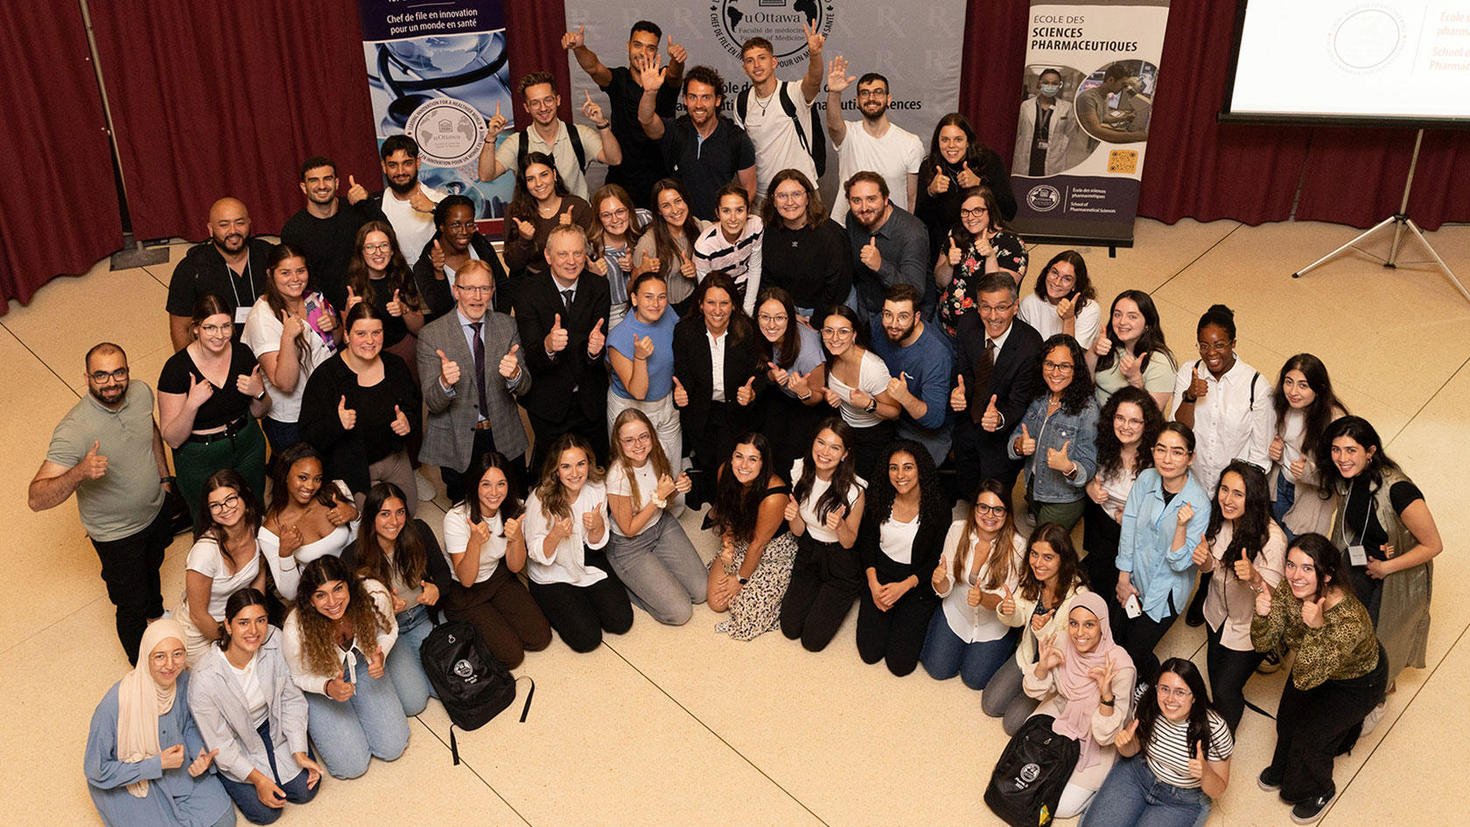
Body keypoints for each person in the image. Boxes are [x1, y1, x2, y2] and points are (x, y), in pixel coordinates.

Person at [30, 343, 173, 665]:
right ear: (87, 378)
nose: (111, 383)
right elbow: (36, 498)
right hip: (116, 535)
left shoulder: (141, 392)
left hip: (155, 509)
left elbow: (150, 429)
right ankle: (143, 667)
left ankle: (156, 614)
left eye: (118, 373)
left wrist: (164, 477)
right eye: (101, 375)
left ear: (128, 371)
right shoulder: (74, 430)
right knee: (131, 604)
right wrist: (79, 472)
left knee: (154, 565)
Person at [1252, 534, 1388, 823]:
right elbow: (1263, 643)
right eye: (1291, 565)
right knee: (1286, 719)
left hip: (1356, 682)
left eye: (1307, 568)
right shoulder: (1291, 588)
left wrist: (1316, 628)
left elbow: (1305, 678)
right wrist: (1262, 614)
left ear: (1327, 575)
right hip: (1313, 664)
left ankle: (1320, 789)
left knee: (1312, 740)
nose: (1295, 576)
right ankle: (1282, 768)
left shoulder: (1349, 619)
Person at [1319, 415, 1442, 712]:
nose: (1342, 458)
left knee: (1379, 638)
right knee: (1344, 624)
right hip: (1361, 562)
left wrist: (1386, 567)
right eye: (1336, 449)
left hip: (1394, 572)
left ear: (1370, 452)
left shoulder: (1399, 490)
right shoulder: (1346, 476)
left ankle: (1379, 697)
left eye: (1351, 450)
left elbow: (1433, 545)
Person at [1174, 304, 1273, 628]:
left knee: (1225, 546)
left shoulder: (1256, 384)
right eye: (1204, 345)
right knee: (1194, 540)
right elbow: (1179, 430)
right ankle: (1189, 586)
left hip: (1231, 489)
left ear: (1233, 343)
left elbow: (1260, 452)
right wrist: (1190, 396)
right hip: (1195, 481)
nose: (1211, 353)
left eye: (1219, 345)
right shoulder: (1189, 371)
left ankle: (1210, 591)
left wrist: (1235, 494)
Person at [84, 618, 235, 827]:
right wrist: (157, 764)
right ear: (145, 657)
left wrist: (199, 752)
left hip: (177, 770)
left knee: (223, 820)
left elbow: (188, 723)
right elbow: (96, 771)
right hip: (132, 780)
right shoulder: (115, 704)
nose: (170, 665)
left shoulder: (182, 680)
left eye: (177, 654)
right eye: (159, 656)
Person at [188, 589, 321, 824]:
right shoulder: (203, 679)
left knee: (304, 791)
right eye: (243, 623)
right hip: (236, 739)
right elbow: (220, 743)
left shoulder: (275, 639)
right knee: (266, 813)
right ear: (228, 625)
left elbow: (291, 699)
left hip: (271, 721)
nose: (253, 631)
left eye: (261, 620)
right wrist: (258, 779)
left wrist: (299, 751)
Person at [281, 557, 408, 779]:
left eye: (338, 589)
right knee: (352, 766)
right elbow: (298, 676)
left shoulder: (373, 594)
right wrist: (327, 687)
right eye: (321, 595)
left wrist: (381, 655)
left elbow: (389, 629)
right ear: (310, 600)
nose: (332, 602)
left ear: (349, 584)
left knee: (393, 746)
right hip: (322, 680)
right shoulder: (295, 629)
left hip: (362, 663)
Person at [418, 258, 531, 504]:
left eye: (484, 288)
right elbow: (433, 403)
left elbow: (525, 388)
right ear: (456, 291)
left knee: (516, 503)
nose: (477, 296)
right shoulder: (431, 335)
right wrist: (444, 382)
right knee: (466, 511)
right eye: (469, 288)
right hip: (457, 440)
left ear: (492, 291)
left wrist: (515, 375)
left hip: (504, 434)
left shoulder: (507, 326)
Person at [1021, 592, 1136, 819]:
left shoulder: (1121, 667)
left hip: (1096, 734)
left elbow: (1107, 735)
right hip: (1061, 714)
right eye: (1074, 623)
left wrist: (1106, 695)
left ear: (1103, 626)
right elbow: (1035, 691)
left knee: (1059, 808)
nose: (1079, 633)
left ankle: (1097, 791)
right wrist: (1042, 667)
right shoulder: (1062, 640)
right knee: (1025, 776)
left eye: (1089, 625)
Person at [158, 295, 271, 526]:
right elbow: (173, 439)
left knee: (253, 509)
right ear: (196, 328)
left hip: (247, 446)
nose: (219, 335)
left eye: (225, 326)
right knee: (209, 521)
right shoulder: (176, 369)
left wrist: (259, 392)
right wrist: (191, 405)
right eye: (210, 327)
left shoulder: (242, 354)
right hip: (201, 457)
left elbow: (261, 411)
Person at [299, 302, 422, 512]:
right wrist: (337, 424)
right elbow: (307, 434)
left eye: (376, 332)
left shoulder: (395, 366)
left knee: (406, 512)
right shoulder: (326, 377)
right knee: (369, 522)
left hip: (393, 458)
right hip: (353, 467)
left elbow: (413, 406)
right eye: (361, 333)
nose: (370, 341)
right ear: (347, 335)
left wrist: (407, 421)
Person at [1083, 658, 1232, 827]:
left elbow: (1218, 790)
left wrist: (1205, 772)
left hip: (1181, 801)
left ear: (1194, 696)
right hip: (1138, 774)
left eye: (1180, 692)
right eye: (1164, 689)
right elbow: (1131, 751)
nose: (1170, 699)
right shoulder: (1148, 703)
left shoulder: (1215, 728)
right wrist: (1125, 745)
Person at [1114, 423, 1210, 683]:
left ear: (1191, 457)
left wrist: (1181, 527)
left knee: (1135, 653)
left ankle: (1152, 685)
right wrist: (1124, 577)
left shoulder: (1200, 504)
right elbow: (1129, 525)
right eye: (1161, 449)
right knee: (1115, 640)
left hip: (1164, 591)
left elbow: (1179, 563)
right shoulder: (1147, 479)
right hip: (1133, 577)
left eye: (1177, 452)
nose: (1167, 459)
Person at [523, 433, 634, 652]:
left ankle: (582, 596)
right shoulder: (539, 499)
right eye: (566, 466)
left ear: (588, 464)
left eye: (580, 464)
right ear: (556, 470)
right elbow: (534, 552)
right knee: (587, 639)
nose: (575, 473)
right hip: (550, 570)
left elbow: (596, 543)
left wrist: (598, 526)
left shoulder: (597, 488)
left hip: (584, 556)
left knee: (620, 622)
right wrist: (555, 535)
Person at [441, 451, 553, 668]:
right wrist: (474, 543)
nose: (494, 493)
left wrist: (517, 538)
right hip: (466, 590)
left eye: (501, 484)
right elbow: (466, 580)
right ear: (475, 485)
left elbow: (515, 566)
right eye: (486, 484)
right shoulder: (456, 518)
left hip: (497, 576)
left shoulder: (516, 507)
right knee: (511, 656)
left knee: (540, 638)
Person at [514, 224, 612, 470]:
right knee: (552, 472)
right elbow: (531, 355)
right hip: (548, 402)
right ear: (548, 256)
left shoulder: (599, 286)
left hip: (590, 400)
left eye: (577, 253)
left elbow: (598, 343)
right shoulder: (527, 291)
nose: (571, 261)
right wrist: (548, 346)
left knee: (595, 469)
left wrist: (594, 352)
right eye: (563, 254)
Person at [1199, 460, 1286, 731]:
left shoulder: (1273, 539)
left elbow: (1276, 599)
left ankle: (1225, 736)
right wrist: (1204, 561)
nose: (1227, 499)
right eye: (1224, 490)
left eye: (1238, 494)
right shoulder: (1221, 520)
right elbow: (1212, 567)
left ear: (1254, 498)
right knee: (1216, 678)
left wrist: (1255, 577)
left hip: (1248, 627)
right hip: (1216, 614)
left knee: (1226, 690)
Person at [563, 21, 686, 210]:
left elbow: (675, 75)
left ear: (656, 52)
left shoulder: (662, 78)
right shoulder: (618, 79)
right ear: (628, 46)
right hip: (622, 181)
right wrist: (579, 48)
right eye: (637, 45)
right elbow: (594, 67)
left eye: (650, 48)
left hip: (661, 184)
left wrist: (677, 60)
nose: (643, 52)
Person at [352, 482, 449, 716]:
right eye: (385, 514)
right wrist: (382, 609)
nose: (394, 521)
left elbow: (444, 574)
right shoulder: (354, 555)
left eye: (400, 512)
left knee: (446, 685)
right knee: (414, 702)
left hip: (422, 616)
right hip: (388, 629)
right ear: (371, 518)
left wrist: (436, 589)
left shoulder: (419, 531)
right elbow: (353, 611)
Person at [984, 523, 1090, 735]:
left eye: (1047, 557)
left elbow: (1069, 652)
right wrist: (1008, 610)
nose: (1038, 563)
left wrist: (1042, 631)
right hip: (1027, 654)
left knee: (1012, 725)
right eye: (1034, 554)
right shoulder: (1032, 577)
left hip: (1052, 671)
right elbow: (1019, 617)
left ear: (1063, 559)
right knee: (991, 705)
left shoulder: (1080, 597)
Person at [920, 479, 1026, 690]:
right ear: (974, 508)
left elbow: (1004, 598)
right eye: (983, 507)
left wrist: (983, 598)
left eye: (998, 510)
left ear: (1007, 514)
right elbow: (946, 585)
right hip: (957, 612)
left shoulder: (1018, 545)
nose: (989, 515)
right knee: (937, 670)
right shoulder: (957, 530)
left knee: (975, 680)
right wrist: (940, 581)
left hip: (991, 623)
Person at [672, 272, 766, 507]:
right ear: (700, 304)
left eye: (724, 303)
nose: (717, 310)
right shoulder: (685, 331)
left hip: (734, 410)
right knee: (707, 463)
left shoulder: (747, 330)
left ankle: (726, 509)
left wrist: (752, 393)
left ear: (733, 305)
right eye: (711, 302)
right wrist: (680, 395)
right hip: (700, 409)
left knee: (728, 467)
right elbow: (681, 375)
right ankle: (714, 504)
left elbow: (760, 374)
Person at [855, 441, 947, 676]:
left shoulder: (938, 507)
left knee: (900, 665)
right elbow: (867, 543)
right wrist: (873, 584)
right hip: (881, 574)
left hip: (915, 581)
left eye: (908, 467)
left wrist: (904, 587)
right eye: (893, 468)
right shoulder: (879, 497)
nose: (900, 475)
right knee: (869, 653)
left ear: (920, 470)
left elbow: (935, 558)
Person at [949, 273, 1044, 502]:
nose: (993, 316)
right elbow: (963, 372)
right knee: (967, 490)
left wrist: (999, 418)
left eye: (1001, 308)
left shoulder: (1030, 345)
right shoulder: (968, 325)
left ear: (1015, 307)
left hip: (1003, 435)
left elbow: (1019, 401)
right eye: (986, 307)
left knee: (994, 500)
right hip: (967, 425)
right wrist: (958, 394)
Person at [605, 409, 704, 625]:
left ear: (651, 435)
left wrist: (678, 487)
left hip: (661, 524)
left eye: (643, 436)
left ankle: (656, 575)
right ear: (619, 443)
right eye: (629, 440)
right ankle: (627, 581)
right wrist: (658, 497)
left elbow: (665, 498)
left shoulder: (658, 454)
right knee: (680, 612)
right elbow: (629, 529)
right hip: (630, 545)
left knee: (701, 591)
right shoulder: (617, 476)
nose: (638, 445)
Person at [243, 243, 340, 452]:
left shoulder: (313, 298)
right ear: (270, 274)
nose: (295, 279)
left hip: (325, 406)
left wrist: (334, 325)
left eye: (300, 271)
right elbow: (285, 383)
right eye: (285, 273)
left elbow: (334, 343)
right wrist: (287, 337)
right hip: (293, 419)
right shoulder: (262, 318)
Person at [780, 419, 867, 651]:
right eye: (821, 442)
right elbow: (798, 531)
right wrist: (793, 516)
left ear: (845, 454)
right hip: (809, 552)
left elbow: (848, 542)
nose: (825, 452)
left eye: (834, 447)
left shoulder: (855, 490)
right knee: (789, 628)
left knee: (812, 641)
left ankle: (837, 595)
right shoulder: (800, 471)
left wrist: (840, 525)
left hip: (840, 560)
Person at [706, 433, 800, 641]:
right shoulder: (725, 471)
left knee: (746, 619)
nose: (743, 465)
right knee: (717, 603)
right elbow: (726, 510)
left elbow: (758, 545)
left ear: (763, 463)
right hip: (742, 538)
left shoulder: (774, 496)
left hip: (771, 552)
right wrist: (728, 541)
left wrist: (740, 579)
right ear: (731, 457)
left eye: (752, 459)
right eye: (739, 456)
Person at [1082, 386, 1164, 623]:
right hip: (1102, 523)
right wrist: (1090, 488)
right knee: (1093, 580)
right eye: (1120, 418)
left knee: (1119, 595)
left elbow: (1164, 509)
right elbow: (1086, 475)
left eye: (1135, 421)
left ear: (1147, 424)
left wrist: (1132, 518)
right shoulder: (1103, 445)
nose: (1126, 426)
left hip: (1138, 534)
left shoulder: (1157, 459)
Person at [637, 60, 756, 220]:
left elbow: (748, 188)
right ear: (685, 100)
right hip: (680, 225)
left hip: (718, 227)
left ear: (717, 100)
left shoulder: (736, 138)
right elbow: (646, 120)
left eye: (706, 97)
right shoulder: (675, 130)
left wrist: (731, 222)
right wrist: (650, 92)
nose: (699, 105)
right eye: (693, 97)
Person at [477, 70, 621, 202]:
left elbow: (614, 159)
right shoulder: (517, 142)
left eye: (548, 100)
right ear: (526, 108)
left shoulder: (580, 134)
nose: (543, 108)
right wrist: (491, 137)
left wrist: (602, 124)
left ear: (558, 100)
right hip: (535, 219)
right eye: (535, 103)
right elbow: (486, 175)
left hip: (577, 218)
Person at [1008, 334, 1098, 530]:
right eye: (1049, 364)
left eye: (1064, 366)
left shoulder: (1088, 410)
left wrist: (1068, 467)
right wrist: (1019, 445)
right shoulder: (1040, 397)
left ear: (1076, 370)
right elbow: (1016, 437)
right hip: (1033, 488)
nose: (1055, 372)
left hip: (1062, 500)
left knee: (1043, 544)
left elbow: (1089, 466)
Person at [177, 471, 266, 665]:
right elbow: (198, 616)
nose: (224, 509)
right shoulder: (204, 552)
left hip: (237, 620)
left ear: (245, 496)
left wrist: (257, 617)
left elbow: (259, 573)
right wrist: (230, 643)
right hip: (201, 631)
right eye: (215, 505)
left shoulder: (258, 526)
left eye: (230, 499)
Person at [166, 197, 274, 352]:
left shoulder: (268, 254)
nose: (233, 231)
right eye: (224, 225)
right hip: (219, 351)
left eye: (240, 223)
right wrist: (189, 363)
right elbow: (181, 328)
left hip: (269, 343)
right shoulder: (191, 269)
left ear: (249, 224)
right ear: (210, 229)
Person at [824, 61, 925, 223]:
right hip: (847, 228)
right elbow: (833, 126)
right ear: (857, 101)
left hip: (891, 230)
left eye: (878, 92)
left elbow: (911, 198)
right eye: (865, 93)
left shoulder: (911, 143)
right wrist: (834, 92)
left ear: (888, 99)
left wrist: (904, 230)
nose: (871, 98)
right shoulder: (848, 134)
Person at [731, 28, 825, 198]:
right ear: (745, 68)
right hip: (763, 195)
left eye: (762, 58)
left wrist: (815, 54)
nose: (757, 65)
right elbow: (742, 153)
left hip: (801, 191)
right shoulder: (741, 102)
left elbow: (814, 80)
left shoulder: (793, 92)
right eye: (750, 61)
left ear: (774, 62)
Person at [258, 444, 358, 603]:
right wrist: (285, 555)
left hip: (357, 578)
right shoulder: (271, 530)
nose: (310, 486)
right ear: (285, 476)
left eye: (317, 479)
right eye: (303, 478)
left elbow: (362, 546)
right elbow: (291, 594)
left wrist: (355, 516)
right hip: (324, 601)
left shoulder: (336, 492)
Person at [867, 283, 954, 465]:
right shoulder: (878, 327)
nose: (893, 324)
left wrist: (904, 397)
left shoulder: (936, 354)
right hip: (888, 413)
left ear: (916, 318)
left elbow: (934, 419)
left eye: (903, 317)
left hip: (923, 430)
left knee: (911, 474)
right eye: (888, 314)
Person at [281, 156, 382, 311]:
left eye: (327, 179)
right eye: (314, 180)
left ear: (336, 183)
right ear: (304, 187)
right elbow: (294, 280)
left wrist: (368, 202)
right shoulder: (293, 230)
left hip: (367, 304)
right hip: (323, 313)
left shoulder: (357, 210)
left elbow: (389, 240)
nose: (322, 186)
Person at [810, 304, 898, 478]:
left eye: (843, 332)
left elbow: (895, 412)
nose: (835, 338)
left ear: (854, 334)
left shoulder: (873, 368)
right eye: (829, 331)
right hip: (844, 429)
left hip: (872, 436)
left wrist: (868, 404)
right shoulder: (831, 355)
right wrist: (831, 397)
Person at [915, 113, 1016, 262]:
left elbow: (1009, 211)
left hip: (985, 250)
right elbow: (920, 223)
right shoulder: (929, 167)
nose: (951, 145)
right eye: (945, 140)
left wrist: (979, 184)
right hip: (943, 253)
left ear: (968, 142)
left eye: (958, 139)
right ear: (938, 143)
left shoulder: (988, 161)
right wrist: (931, 192)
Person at [607, 271, 680, 470]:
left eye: (661, 297)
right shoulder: (619, 338)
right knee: (634, 471)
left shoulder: (668, 314)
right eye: (648, 297)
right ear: (634, 299)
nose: (656, 303)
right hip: (631, 411)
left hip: (666, 404)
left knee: (671, 467)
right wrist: (640, 358)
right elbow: (638, 392)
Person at [1270, 354, 1348, 540]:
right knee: (1274, 539)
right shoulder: (1281, 405)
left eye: (1303, 385)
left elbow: (1342, 472)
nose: (1293, 391)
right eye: (1288, 382)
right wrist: (1277, 451)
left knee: (1297, 545)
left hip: (1311, 496)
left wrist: (1309, 472)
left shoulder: (1335, 420)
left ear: (1319, 388)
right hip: (1280, 483)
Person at [933, 186, 1028, 338]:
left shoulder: (1012, 244)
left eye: (977, 210)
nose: (970, 217)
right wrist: (949, 263)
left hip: (984, 336)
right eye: (965, 211)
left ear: (990, 210)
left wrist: (990, 256)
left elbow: (999, 292)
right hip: (945, 331)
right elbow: (940, 282)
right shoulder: (956, 234)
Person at [752, 286, 826, 473]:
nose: (771, 325)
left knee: (787, 460)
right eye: (765, 317)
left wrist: (803, 391)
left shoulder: (809, 353)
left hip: (806, 406)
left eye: (779, 318)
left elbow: (818, 396)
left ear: (790, 319)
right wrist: (771, 376)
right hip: (779, 395)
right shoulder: (758, 335)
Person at [758, 169, 851, 319]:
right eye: (782, 196)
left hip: (830, 309)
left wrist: (816, 320)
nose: (789, 202)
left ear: (808, 198)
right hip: (787, 309)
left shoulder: (831, 234)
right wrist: (787, 313)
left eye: (796, 194)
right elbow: (767, 281)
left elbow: (838, 287)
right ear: (773, 201)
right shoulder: (768, 233)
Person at [844, 171, 931, 322]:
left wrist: (880, 266)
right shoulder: (852, 218)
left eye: (871, 199)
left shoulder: (912, 233)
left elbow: (915, 292)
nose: (864, 208)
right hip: (865, 308)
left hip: (901, 319)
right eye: (856, 200)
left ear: (885, 199)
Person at [344, 222, 426, 381]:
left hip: (403, 353)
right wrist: (349, 311)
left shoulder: (402, 274)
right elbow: (346, 339)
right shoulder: (350, 284)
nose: (378, 252)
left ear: (392, 249)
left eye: (384, 245)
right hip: (366, 356)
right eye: (370, 247)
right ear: (361, 252)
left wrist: (403, 309)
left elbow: (419, 329)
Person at [346, 135, 443, 269]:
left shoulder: (439, 200)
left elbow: (463, 231)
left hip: (433, 279)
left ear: (418, 163)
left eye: (407, 163)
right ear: (384, 167)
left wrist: (434, 207)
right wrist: (359, 203)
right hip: (393, 279)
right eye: (393, 165)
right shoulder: (375, 204)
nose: (400, 171)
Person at [413, 194, 512, 320]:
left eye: (469, 224)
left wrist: (500, 321)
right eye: (456, 225)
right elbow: (441, 312)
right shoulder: (424, 266)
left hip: (491, 326)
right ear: (442, 226)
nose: (464, 231)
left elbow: (503, 287)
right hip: (454, 331)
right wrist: (438, 273)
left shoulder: (480, 245)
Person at [502, 153, 595, 287]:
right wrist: (524, 240)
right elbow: (513, 264)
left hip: (573, 284)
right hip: (531, 285)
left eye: (544, 175)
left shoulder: (578, 206)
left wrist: (571, 231)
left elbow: (592, 254)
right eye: (530, 179)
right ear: (525, 184)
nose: (539, 183)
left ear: (554, 174)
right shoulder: (516, 211)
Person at [1088, 289, 1176, 412]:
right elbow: (1082, 382)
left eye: (1132, 317)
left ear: (1147, 324)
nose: (1122, 322)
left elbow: (1152, 415)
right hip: (1094, 415)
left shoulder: (1160, 361)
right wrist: (1093, 351)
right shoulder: (1108, 342)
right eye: (1117, 315)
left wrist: (1135, 380)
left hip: (1127, 422)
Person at [631, 178, 709, 314]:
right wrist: (641, 271)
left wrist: (696, 269)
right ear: (659, 211)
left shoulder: (697, 226)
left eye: (678, 201)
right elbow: (631, 292)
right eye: (666, 205)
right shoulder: (648, 242)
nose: (675, 210)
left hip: (693, 303)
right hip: (661, 310)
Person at [587, 183, 651, 328]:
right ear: (598, 218)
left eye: (620, 211)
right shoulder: (591, 247)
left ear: (629, 210)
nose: (615, 220)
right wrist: (591, 276)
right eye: (606, 215)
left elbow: (666, 232)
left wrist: (636, 260)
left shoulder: (643, 219)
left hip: (647, 301)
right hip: (613, 311)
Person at [693, 183, 763, 314]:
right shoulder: (704, 247)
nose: (733, 218)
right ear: (717, 213)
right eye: (726, 211)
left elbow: (755, 267)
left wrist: (748, 309)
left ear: (748, 211)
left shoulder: (755, 225)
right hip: (721, 298)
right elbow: (708, 290)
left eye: (739, 210)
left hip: (749, 289)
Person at [1019, 250, 1100, 349]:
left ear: (1075, 285)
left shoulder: (1089, 309)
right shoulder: (1029, 303)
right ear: (1047, 272)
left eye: (1067, 279)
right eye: (1054, 273)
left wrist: (1069, 319)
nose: (1057, 282)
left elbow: (1073, 355)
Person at [1013, 68, 1074, 177]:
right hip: (1028, 154)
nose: (1050, 86)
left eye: (1054, 83)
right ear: (1039, 84)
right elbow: (1019, 131)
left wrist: (1061, 147)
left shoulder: (1066, 107)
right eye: (1046, 82)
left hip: (1053, 156)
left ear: (1059, 86)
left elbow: (1069, 133)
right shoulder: (1025, 106)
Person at [1074, 64, 1148, 154]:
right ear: (1111, 80)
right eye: (1123, 84)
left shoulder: (1106, 97)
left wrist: (1125, 118)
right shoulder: (1087, 98)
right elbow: (1096, 130)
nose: (1124, 89)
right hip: (1081, 149)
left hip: (1093, 144)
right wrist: (1134, 136)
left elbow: (1104, 118)